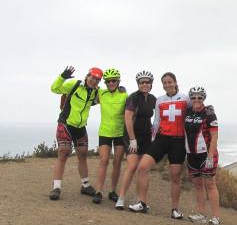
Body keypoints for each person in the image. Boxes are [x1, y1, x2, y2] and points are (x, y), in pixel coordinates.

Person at [128, 72, 189, 218]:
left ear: (175, 82)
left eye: (170, 82)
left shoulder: (185, 98)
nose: (167, 84)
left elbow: (194, 114)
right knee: (142, 167)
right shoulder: (160, 100)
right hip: (162, 139)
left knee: (175, 177)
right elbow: (156, 121)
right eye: (165, 82)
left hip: (178, 141)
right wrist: (152, 138)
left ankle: (175, 210)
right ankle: (142, 203)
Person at [49, 66, 102, 200]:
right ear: (87, 76)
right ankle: (56, 188)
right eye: (92, 77)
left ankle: (85, 185)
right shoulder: (75, 84)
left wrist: (121, 90)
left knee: (83, 155)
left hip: (81, 127)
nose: (94, 81)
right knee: (63, 153)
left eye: (97, 79)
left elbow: (107, 98)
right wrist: (62, 77)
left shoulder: (97, 92)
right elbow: (54, 89)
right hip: (66, 123)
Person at [115, 70, 157, 210]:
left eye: (147, 82)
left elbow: (156, 118)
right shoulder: (133, 97)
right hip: (131, 136)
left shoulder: (152, 99)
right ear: (138, 84)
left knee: (143, 169)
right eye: (142, 82)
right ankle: (121, 198)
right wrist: (132, 139)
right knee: (132, 166)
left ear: (151, 84)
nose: (145, 84)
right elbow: (127, 119)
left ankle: (141, 201)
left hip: (146, 137)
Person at [184, 86, 221, 225]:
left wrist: (210, 156)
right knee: (198, 186)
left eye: (200, 97)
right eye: (193, 97)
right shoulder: (187, 111)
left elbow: (214, 136)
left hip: (207, 155)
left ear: (204, 98)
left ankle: (216, 217)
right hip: (191, 154)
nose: (196, 100)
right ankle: (201, 214)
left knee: (210, 185)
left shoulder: (209, 113)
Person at [92, 68, 128, 204]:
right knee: (104, 161)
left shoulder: (124, 95)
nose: (111, 83)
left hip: (120, 133)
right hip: (105, 132)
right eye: (108, 81)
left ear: (118, 81)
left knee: (117, 162)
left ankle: (112, 191)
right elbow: (90, 87)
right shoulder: (101, 93)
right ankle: (98, 191)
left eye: (114, 81)